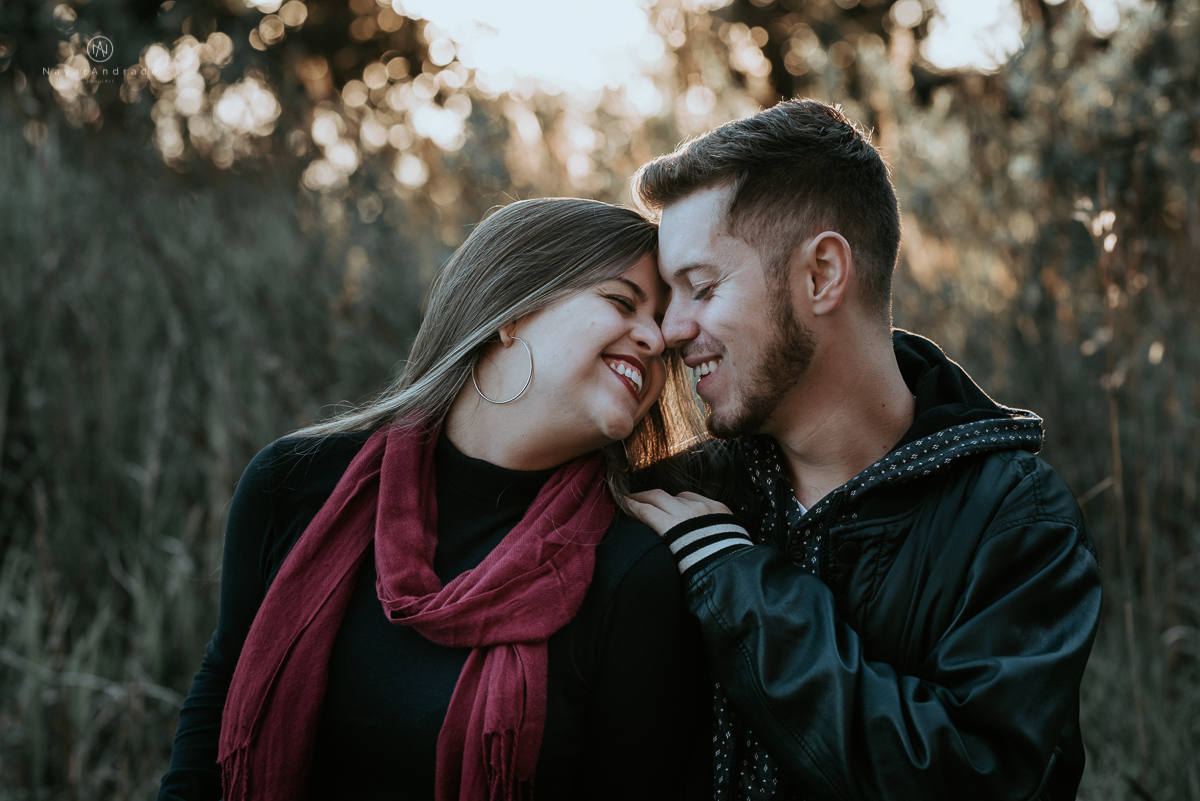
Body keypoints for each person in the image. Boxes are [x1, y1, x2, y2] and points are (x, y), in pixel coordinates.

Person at [626, 100, 1103, 801]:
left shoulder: (1017, 522)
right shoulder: (680, 497)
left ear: (822, 274)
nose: (669, 328)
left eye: (700, 288)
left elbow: (972, 780)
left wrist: (733, 579)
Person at [158, 198, 708, 801]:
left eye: (662, 325)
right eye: (622, 302)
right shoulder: (296, 486)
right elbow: (221, 695)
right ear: (512, 311)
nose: (658, 339)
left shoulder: (632, 575)